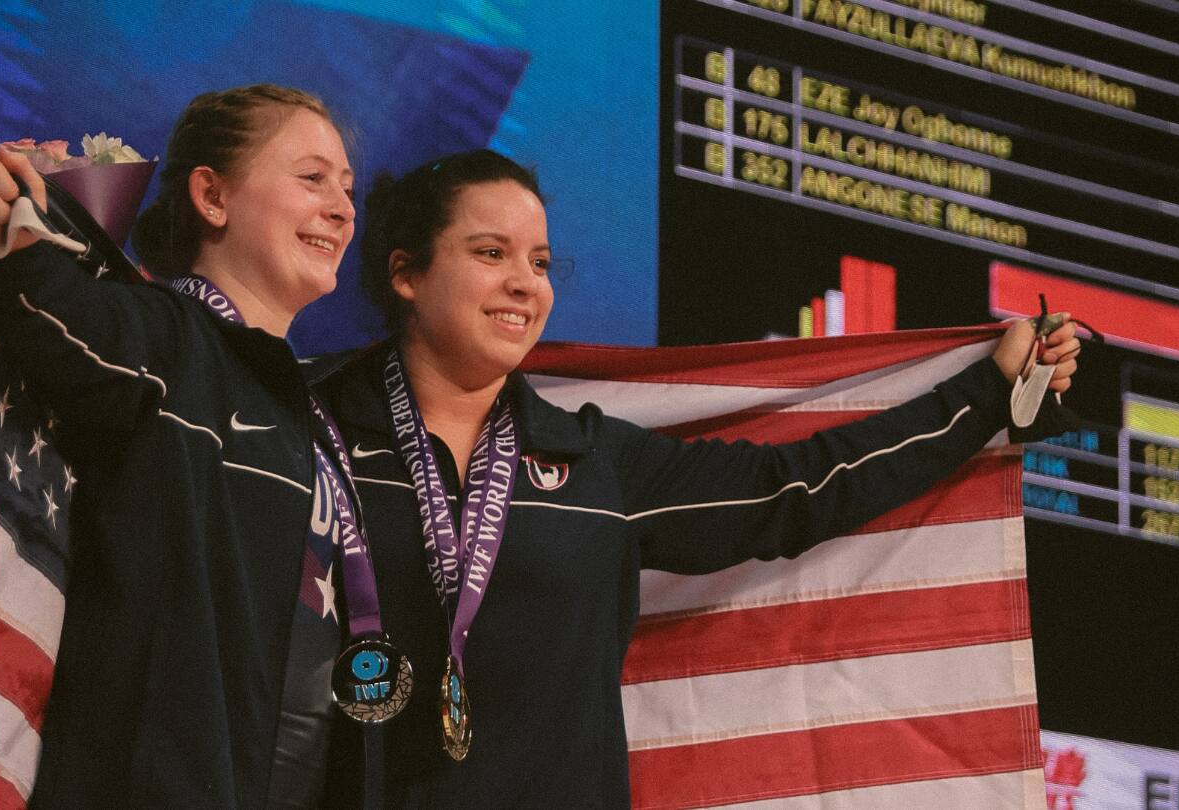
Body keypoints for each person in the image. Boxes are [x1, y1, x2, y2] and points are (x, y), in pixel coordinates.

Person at [307, 149, 1081, 807]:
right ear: (405, 273)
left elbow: (795, 489)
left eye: (540, 263)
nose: (526, 283)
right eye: (490, 253)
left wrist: (984, 396)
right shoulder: (310, 435)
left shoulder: (593, 463)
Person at [0, 84, 360, 808]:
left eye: (348, 188)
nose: (344, 208)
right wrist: (1, 217)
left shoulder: (305, 409)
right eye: (312, 177)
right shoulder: (168, 341)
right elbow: (54, 302)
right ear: (213, 196)